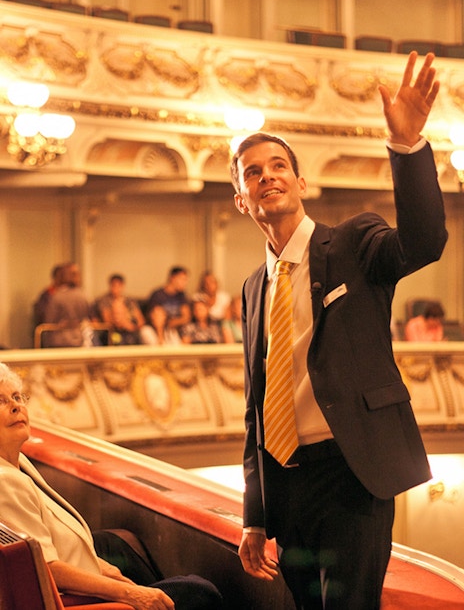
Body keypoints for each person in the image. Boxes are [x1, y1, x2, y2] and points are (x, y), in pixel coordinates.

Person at [230, 52, 447, 610]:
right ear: (241, 200)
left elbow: (423, 243)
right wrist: (255, 516)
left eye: (277, 166)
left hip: (353, 474)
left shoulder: (352, 242)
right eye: (252, 172)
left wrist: (408, 147)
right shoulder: (255, 287)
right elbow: (256, 405)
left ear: (301, 181)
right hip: (288, 484)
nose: (267, 176)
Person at [0, 362, 223, 610]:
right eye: (1, 401)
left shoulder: (18, 460)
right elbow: (47, 569)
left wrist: (101, 566)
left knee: (120, 543)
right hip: (74, 598)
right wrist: (131, 593)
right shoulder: (4, 481)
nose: (16, 406)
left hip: (76, 576)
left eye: (17, 396)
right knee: (199, 591)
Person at [43, 262, 93, 348]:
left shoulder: (56, 297)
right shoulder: (82, 295)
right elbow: (87, 314)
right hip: (78, 338)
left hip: (59, 340)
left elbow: (49, 319)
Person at [96, 274, 145, 345]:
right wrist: (118, 321)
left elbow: (141, 321)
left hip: (130, 331)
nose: (116, 288)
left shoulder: (130, 301)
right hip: (113, 331)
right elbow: (107, 321)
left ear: (123, 286)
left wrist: (129, 326)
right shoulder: (104, 301)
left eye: (119, 285)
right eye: (113, 285)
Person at [146, 267, 191, 333]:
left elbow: (186, 317)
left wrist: (174, 322)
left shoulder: (181, 295)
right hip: (159, 329)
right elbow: (154, 316)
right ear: (172, 278)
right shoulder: (158, 295)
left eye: (186, 280)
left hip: (176, 330)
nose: (185, 283)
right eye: (182, 279)